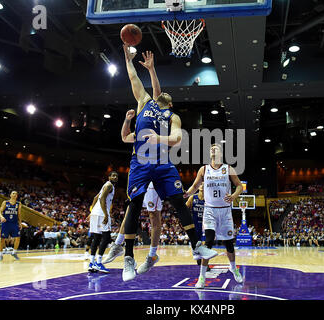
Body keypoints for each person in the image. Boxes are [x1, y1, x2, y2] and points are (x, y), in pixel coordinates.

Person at [119, 45, 217, 281]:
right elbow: (134, 78)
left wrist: (158, 138)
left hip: (163, 162)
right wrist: (129, 61)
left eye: (163, 97)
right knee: (135, 204)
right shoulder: (143, 102)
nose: (160, 96)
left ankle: (197, 246)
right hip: (141, 162)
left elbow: (176, 139)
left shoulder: (172, 116)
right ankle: (128, 258)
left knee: (178, 200)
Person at [184, 144, 244, 289]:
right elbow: (194, 186)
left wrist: (234, 195)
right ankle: (202, 277)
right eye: (211, 148)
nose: (212, 149)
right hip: (210, 210)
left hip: (225, 211)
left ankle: (233, 268)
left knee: (229, 244)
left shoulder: (228, 168)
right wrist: (186, 194)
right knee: (208, 242)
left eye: (215, 148)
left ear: (221, 153)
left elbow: (239, 185)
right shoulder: (204, 169)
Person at [86, 171, 118, 273]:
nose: (115, 177)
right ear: (109, 177)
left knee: (96, 237)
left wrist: (91, 212)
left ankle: (91, 263)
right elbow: (102, 198)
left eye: (116, 176)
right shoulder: (109, 185)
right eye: (113, 175)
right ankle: (99, 263)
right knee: (106, 237)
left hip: (95, 213)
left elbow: (96, 198)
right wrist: (105, 214)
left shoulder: (105, 185)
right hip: (101, 213)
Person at [0, 191, 22, 261]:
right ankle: (0, 254)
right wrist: (1, 217)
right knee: (2, 238)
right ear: (10, 195)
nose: (14, 195)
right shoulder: (5, 202)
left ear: (17, 196)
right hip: (6, 223)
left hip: (14, 223)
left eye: (16, 194)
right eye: (13, 193)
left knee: (18, 238)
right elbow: (0, 212)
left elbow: (19, 214)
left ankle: (14, 252)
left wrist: (20, 223)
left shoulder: (19, 204)